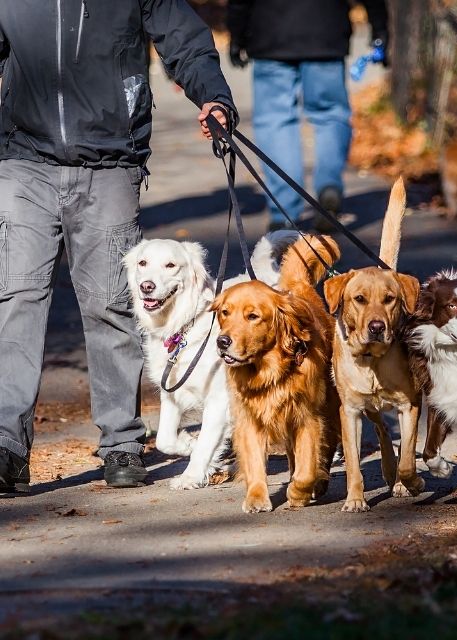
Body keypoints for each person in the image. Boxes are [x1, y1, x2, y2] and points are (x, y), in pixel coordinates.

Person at [0, 0, 235, 492]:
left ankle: (122, 443)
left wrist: (214, 98)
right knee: (16, 300)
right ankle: (6, 447)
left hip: (109, 163)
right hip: (22, 161)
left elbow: (185, 40)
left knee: (112, 305)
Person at [227, 0, 388, 231]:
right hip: (326, 31)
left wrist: (237, 32)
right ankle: (329, 186)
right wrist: (380, 27)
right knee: (331, 114)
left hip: (271, 34)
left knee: (275, 120)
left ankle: (283, 208)